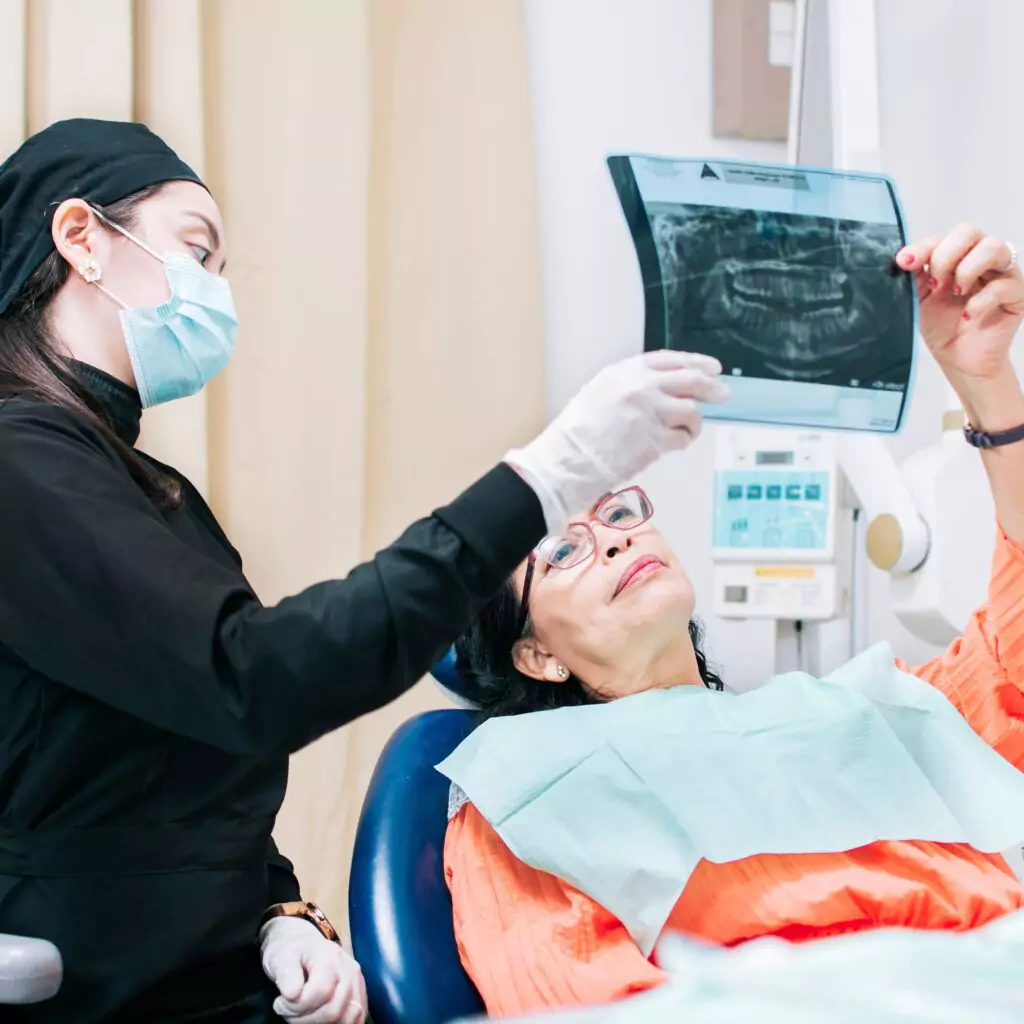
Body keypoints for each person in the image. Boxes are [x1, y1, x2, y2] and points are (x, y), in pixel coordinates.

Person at [0, 119, 725, 1024]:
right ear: (81, 241)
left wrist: (279, 913)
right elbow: (255, 679)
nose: (216, 293)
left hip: (230, 982)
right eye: (196, 251)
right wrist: (546, 478)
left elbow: (194, 760)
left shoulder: (154, 494)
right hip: (111, 995)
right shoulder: (20, 464)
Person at [443, 224, 1024, 1019]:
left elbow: (1012, 658)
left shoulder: (856, 710)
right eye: (562, 549)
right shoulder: (521, 788)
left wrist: (985, 383)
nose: (614, 535)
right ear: (537, 654)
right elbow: (573, 1002)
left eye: (617, 509)